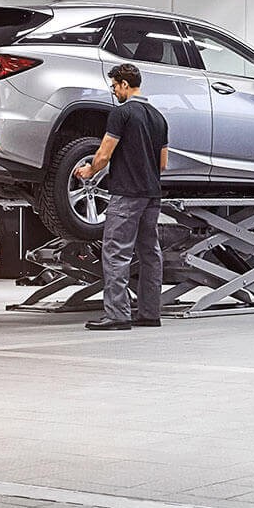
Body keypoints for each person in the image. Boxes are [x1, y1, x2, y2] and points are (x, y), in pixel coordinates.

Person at [75, 62, 168, 331]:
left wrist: (88, 170)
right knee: (150, 254)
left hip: (126, 194)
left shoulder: (122, 113)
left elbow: (103, 155)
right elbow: (162, 163)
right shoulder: (159, 118)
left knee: (116, 253)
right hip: (152, 195)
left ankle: (117, 316)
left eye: (115, 85)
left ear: (125, 84)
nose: (114, 91)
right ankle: (150, 314)